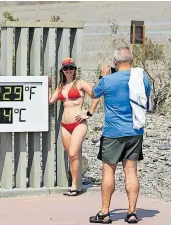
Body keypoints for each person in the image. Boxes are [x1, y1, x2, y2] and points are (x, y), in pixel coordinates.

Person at [84, 47, 151, 224]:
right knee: (131, 171)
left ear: (115, 62)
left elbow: (93, 93)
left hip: (113, 132)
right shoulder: (141, 77)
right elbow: (146, 95)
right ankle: (132, 212)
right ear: (131, 60)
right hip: (135, 131)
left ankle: (105, 212)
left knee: (108, 170)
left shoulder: (108, 80)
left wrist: (102, 76)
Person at [48, 57, 100, 196]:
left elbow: (96, 95)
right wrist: (48, 86)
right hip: (65, 125)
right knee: (72, 157)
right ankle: (75, 185)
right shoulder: (61, 86)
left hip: (79, 123)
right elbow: (51, 100)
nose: (69, 70)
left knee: (73, 153)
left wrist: (88, 113)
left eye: (71, 68)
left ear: (75, 70)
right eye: (66, 68)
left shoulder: (80, 83)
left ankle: (76, 187)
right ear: (62, 71)